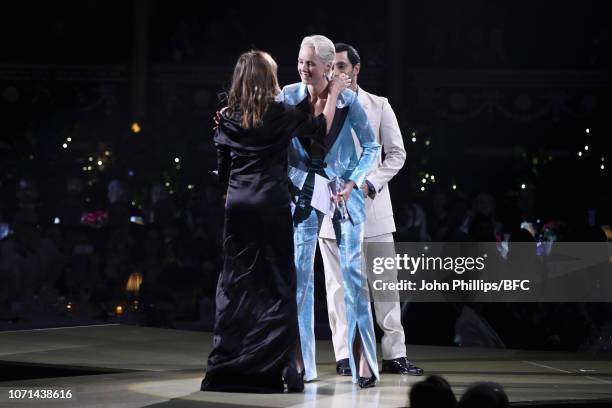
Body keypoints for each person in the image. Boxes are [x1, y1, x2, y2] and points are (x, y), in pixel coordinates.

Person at [200, 50, 350, 393]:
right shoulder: (280, 113)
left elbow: (222, 174)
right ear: (268, 78)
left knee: (237, 283)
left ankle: (228, 368)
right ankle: (275, 370)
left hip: (237, 207)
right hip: (271, 204)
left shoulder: (227, 118)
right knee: (278, 285)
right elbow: (320, 129)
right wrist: (335, 95)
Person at [278, 35, 381, 388]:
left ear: (326, 66)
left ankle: (364, 361)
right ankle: (300, 362)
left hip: (341, 193)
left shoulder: (349, 101)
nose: (304, 68)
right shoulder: (288, 96)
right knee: (299, 278)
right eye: (300, 61)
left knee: (353, 275)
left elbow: (371, 146)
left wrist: (353, 181)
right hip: (303, 193)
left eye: (311, 63)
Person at [318, 42, 424, 376]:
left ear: (356, 69)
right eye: (331, 67)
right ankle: (345, 357)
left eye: (341, 67)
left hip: (373, 210)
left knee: (385, 287)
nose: (336, 73)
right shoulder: (318, 106)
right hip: (332, 210)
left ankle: (395, 356)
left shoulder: (378, 106)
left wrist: (369, 183)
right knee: (338, 290)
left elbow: (397, 153)